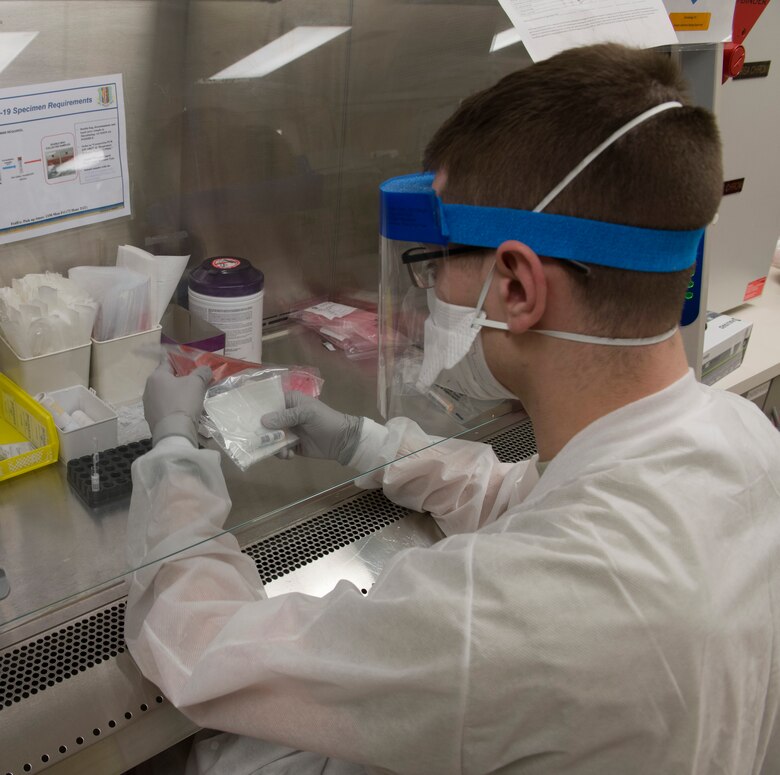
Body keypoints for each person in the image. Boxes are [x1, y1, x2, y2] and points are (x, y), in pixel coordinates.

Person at [125, 43, 780, 774]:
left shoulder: (516, 614)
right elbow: (531, 500)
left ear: (518, 287)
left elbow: (206, 650)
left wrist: (174, 454)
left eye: (435, 263)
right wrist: (366, 444)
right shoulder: (743, 440)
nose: (431, 293)